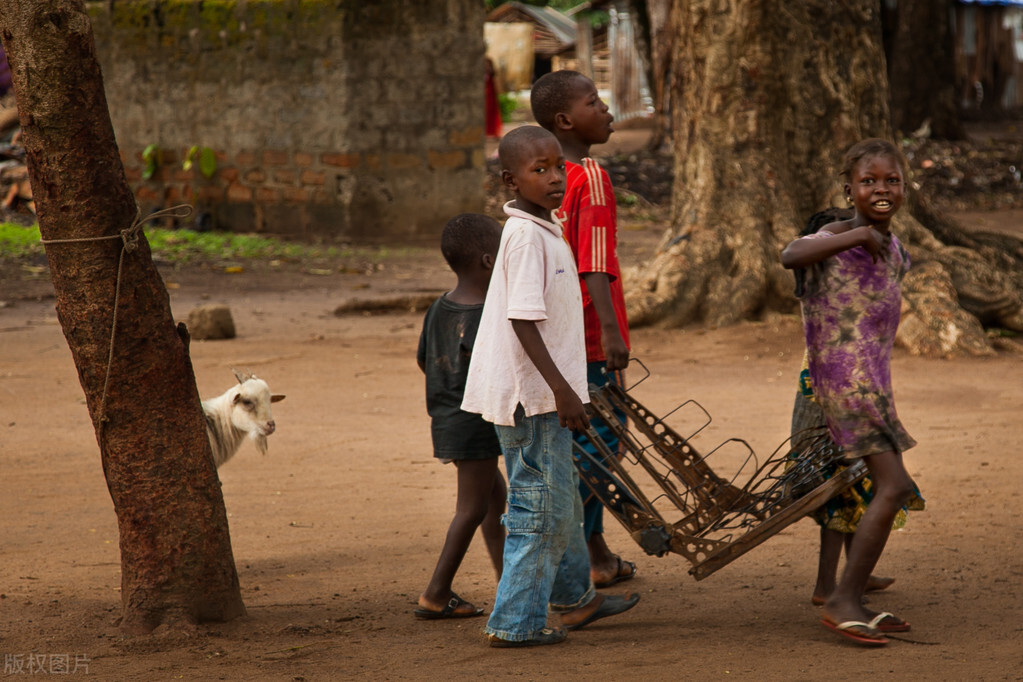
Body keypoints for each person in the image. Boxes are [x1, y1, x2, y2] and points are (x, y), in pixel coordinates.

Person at [462, 125, 639, 648]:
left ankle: (574, 599)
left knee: (558, 500)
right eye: (539, 171)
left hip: (547, 393)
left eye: (558, 167)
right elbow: (523, 321)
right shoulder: (522, 238)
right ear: (509, 179)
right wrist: (564, 391)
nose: (555, 178)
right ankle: (515, 623)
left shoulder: (548, 228)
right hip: (531, 398)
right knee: (538, 508)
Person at [781, 138, 920, 647]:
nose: (881, 188)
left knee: (866, 488)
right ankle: (843, 598)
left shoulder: (897, 249)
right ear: (850, 190)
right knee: (894, 485)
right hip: (843, 387)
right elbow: (790, 253)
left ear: (904, 188)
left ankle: (846, 593)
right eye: (869, 181)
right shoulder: (835, 234)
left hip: (872, 388)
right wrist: (854, 233)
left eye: (891, 180)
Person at [530, 69, 636, 589]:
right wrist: (612, 334)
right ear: (567, 120)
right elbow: (593, 263)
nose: (608, 109)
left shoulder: (545, 180)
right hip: (592, 334)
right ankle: (571, 560)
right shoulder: (588, 175)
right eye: (596, 102)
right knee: (599, 448)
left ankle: (594, 551)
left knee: (583, 444)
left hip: (560, 334)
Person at [413, 213, 509, 620]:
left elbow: (424, 359)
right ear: (489, 261)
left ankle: (510, 584)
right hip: (473, 423)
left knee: (494, 497)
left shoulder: (440, 307)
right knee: (471, 508)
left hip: (448, 417)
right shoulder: (487, 314)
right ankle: (436, 592)